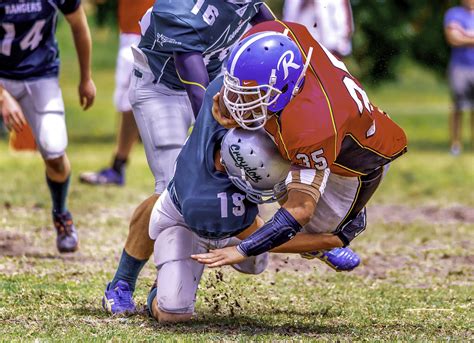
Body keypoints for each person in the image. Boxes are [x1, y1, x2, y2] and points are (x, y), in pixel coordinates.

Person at [101, 0, 277, 315]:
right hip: (162, 89)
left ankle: (186, 255)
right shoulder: (181, 11)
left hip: (216, 84)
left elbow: (278, 35)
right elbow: (199, 94)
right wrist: (219, 149)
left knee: (255, 259)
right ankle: (123, 281)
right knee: (173, 186)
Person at [191, 20, 408, 267]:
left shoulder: (312, 125)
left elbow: (300, 210)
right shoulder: (270, 35)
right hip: (309, 121)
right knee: (243, 149)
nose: (237, 99)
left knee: (313, 231)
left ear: (283, 90)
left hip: (355, 162)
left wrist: (243, 249)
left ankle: (339, 234)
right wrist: (235, 100)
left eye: (252, 95)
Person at [145, 81, 361, 322]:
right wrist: (330, 240)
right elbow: (267, 240)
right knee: (173, 313)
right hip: (186, 221)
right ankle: (161, 284)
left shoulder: (226, 102)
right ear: (241, 178)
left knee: (255, 264)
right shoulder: (214, 200)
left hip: (222, 208)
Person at [0, 0, 96, 253]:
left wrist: (86, 78)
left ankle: (61, 213)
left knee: (54, 151)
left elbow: (79, 24)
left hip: (40, 74)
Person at [79, 0, 154, 185]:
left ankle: (118, 166)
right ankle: (118, 166)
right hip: (139, 31)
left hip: (143, 33)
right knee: (132, 102)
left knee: (134, 101)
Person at [444, 0, 474, 156]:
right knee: (458, 107)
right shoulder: (454, 13)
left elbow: (460, 37)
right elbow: (453, 39)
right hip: (460, 67)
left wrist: (464, 34)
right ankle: (455, 144)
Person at [283, 0, 354, 59]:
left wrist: (338, 49)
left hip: (330, 53)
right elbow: (288, 21)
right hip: (300, 53)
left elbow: (346, 26)